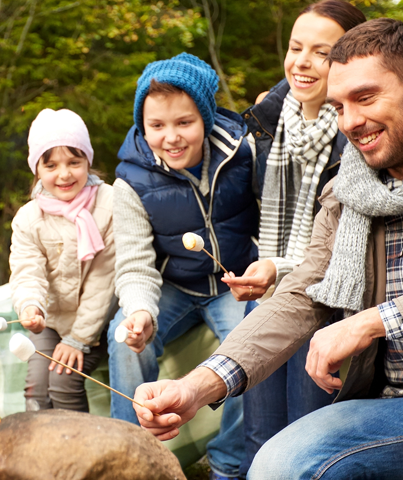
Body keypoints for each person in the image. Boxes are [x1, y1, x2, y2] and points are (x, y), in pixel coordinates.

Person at [133, 18, 403, 479]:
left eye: (365, 98)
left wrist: (376, 320)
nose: (351, 122)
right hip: (402, 413)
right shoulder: (346, 190)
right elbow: (302, 294)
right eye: (339, 106)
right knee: (275, 465)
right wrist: (198, 386)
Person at [221, 1, 365, 475]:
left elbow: (345, 243)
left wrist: (278, 268)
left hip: (325, 304)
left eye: (320, 53)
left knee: (307, 439)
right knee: (258, 437)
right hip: (264, 296)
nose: (301, 62)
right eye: (295, 47)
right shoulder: (267, 122)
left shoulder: (358, 138)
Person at [107, 53, 257, 479]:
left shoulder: (243, 154)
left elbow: (272, 221)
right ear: (142, 126)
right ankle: (131, 458)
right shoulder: (131, 180)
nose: (170, 137)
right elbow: (135, 263)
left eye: (183, 123)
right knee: (123, 336)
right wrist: (140, 312)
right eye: (156, 126)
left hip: (235, 283)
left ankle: (227, 464)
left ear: (205, 118)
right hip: (174, 286)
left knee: (253, 345)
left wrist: (262, 269)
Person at [9, 108, 115, 413]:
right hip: (52, 320)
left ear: (88, 162)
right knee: (37, 389)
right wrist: (31, 306)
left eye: (74, 162)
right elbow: (28, 271)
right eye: (51, 165)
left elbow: (103, 281)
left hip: (96, 323)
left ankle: (77, 455)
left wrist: (78, 339)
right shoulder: (30, 218)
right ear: (37, 170)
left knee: (63, 379)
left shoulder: (108, 204)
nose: (64, 174)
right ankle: (39, 453)